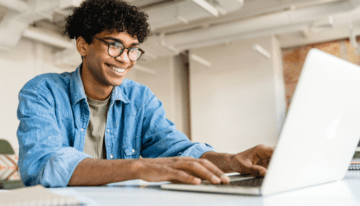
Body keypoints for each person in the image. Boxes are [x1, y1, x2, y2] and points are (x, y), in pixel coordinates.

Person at [17, 0, 273, 187]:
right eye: (114, 45)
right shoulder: (43, 91)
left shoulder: (140, 98)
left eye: (132, 49)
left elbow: (177, 150)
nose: (125, 59)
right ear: (83, 45)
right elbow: (44, 165)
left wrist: (231, 161)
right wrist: (139, 167)